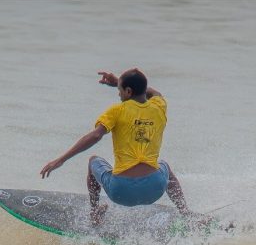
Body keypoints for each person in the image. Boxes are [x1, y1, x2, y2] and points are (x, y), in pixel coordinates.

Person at [40, 68, 192, 226]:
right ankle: (185, 213)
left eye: (119, 90)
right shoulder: (159, 106)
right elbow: (156, 94)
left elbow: (96, 135)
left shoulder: (117, 111)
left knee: (93, 161)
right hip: (155, 188)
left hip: (121, 191)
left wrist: (60, 160)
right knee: (164, 166)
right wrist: (119, 81)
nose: (118, 94)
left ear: (128, 91)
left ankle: (94, 213)